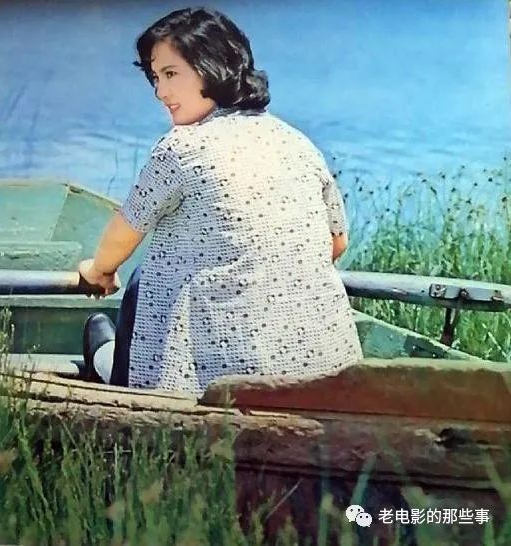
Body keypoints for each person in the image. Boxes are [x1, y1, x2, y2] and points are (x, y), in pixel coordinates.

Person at [78, 7, 363, 396]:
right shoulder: (296, 141)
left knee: (141, 282)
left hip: (225, 375)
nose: (161, 92)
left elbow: (122, 235)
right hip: (326, 366)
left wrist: (98, 270)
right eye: (155, 78)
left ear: (213, 67)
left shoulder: (181, 148)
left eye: (171, 74)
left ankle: (107, 362)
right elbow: (337, 243)